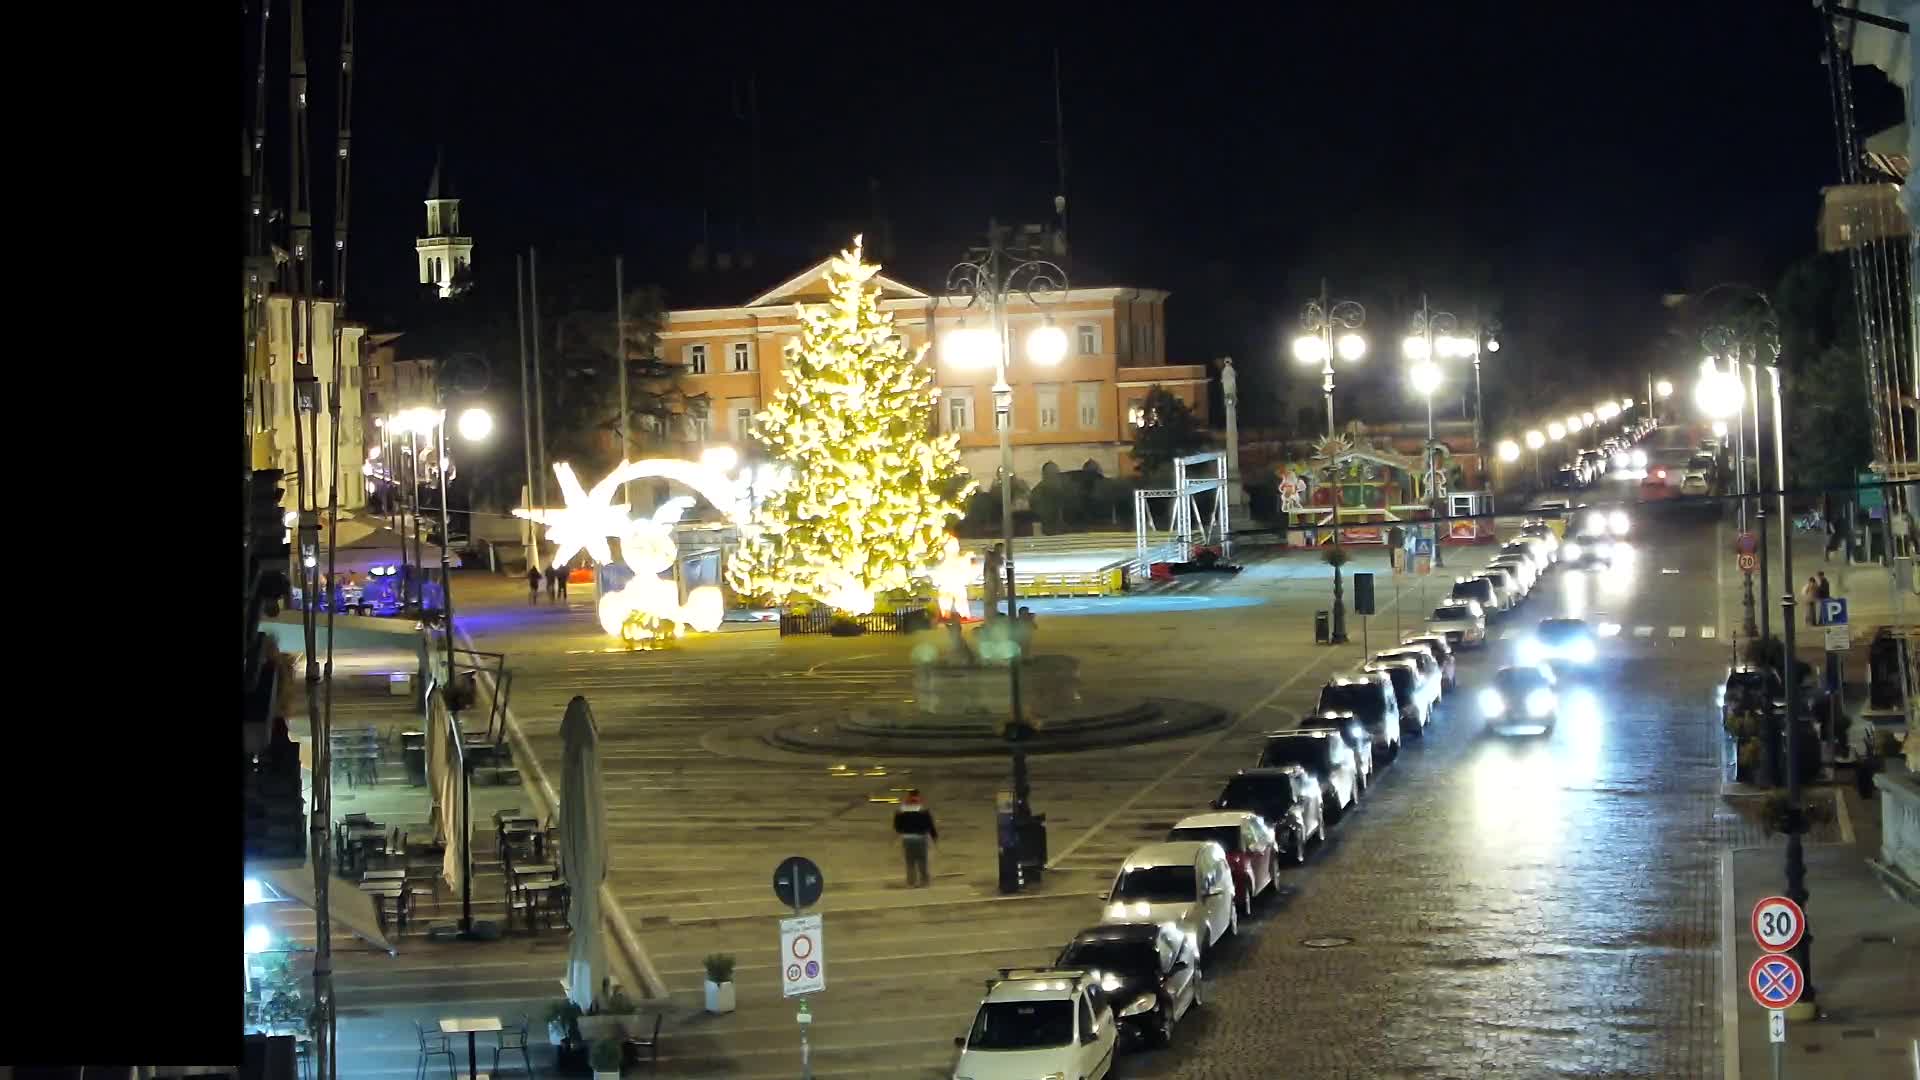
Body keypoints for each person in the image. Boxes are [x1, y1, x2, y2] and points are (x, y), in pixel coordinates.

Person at [893, 789, 938, 887]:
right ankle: (924, 882)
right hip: (921, 838)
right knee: (922, 861)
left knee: (910, 862)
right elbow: (930, 825)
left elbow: (896, 826)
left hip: (907, 838)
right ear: (918, 798)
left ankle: (911, 882)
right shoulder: (923, 811)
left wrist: (902, 832)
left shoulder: (901, 811)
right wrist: (934, 837)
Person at [982, 544, 1006, 619]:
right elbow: (985, 551)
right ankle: (990, 614)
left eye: (1002, 549)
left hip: (995, 577)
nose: (1001, 551)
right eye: (999, 549)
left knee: (998, 595)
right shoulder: (990, 554)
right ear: (996, 548)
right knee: (990, 597)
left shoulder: (999, 557)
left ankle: (993, 611)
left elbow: (999, 563)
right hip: (990, 577)